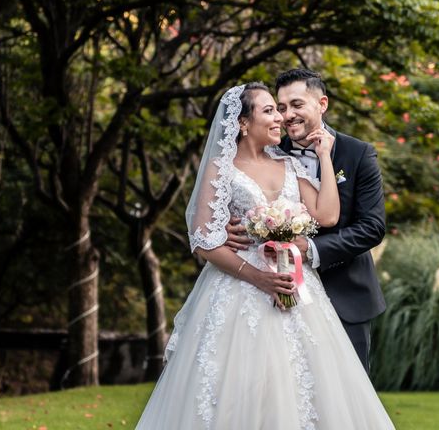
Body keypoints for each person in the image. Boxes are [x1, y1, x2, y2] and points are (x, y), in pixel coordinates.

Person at [136, 82, 395, 429]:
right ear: (243, 123)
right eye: (271, 110)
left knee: (307, 384)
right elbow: (202, 239)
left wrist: (323, 157)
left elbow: (328, 216)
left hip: (299, 289)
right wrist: (251, 268)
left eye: (285, 108)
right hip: (239, 292)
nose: (282, 118)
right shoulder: (221, 168)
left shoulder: (290, 162)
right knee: (239, 385)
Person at [226, 69, 386, 371]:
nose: (288, 115)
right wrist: (227, 225)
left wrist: (310, 249)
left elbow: (372, 227)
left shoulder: (358, 154)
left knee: (348, 402)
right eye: (281, 107)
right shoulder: (269, 152)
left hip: (346, 295)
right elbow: (235, 198)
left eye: (297, 105)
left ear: (321, 103)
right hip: (280, 298)